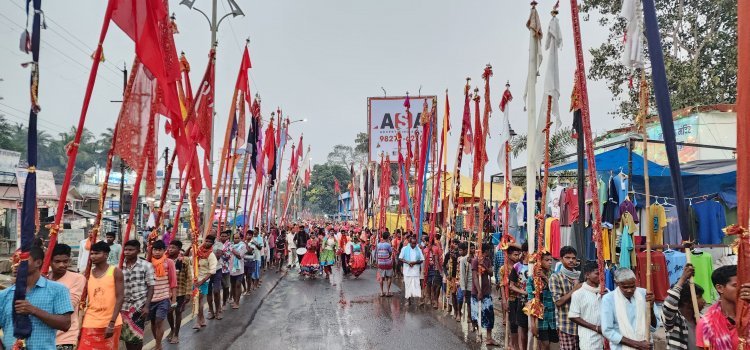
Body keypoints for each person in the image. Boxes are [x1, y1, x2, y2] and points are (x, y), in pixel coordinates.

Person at [0, 246, 72, 349]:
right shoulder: (4, 295)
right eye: (15, 260)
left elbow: (65, 324)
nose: (16, 264)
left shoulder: (58, 290)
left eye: (22, 259)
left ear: (38, 263)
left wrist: (33, 310)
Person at [80, 241, 124, 350]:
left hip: (110, 322)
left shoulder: (115, 272)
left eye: (97, 253)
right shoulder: (86, 273)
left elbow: (120, 298)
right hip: (90, 320)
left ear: (106, 255)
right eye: (92, 254)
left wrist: (112, 323)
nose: (93, 256)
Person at [601, 268, 657, 350]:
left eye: (632, 286)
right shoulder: (608, 299)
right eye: (625, 287)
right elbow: (607, 331)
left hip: (646, 346)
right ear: (617, 283)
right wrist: (637, 344)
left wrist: (651, 308)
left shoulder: (644, 294)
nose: (629, 290)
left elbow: (654, 327)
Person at [48, 243, 86, 350]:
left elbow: (69, 305)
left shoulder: (77, 278)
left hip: (66, 337)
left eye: (65, 261)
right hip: (44, 336)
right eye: (57, 261)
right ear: (49, 261)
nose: (62, 265)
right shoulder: (44, 277)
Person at [120, 239, 154, 350]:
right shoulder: (119, 266)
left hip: (139, 306)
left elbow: (151, 286)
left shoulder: (146, 265)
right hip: (123, 307)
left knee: (137, 336)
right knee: (127, 337)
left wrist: (147, 306)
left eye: (131, 250)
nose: (127, 252)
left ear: (138, 251)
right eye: (125, 250)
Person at [696, 264, 740, 349]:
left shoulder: (747, 317)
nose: (741, 288)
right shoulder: (707, 325)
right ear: (720, 288)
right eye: (735, 285)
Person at [662, 264, 705, 350]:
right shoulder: (674, 320)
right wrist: (683, 278)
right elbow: (669, 304)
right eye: (699, 297)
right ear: (686, 301)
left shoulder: (701, 319)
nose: (703, 301)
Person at [569, 261, 607, 350]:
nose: (601, 276)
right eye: (597, 273)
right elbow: (573, 316)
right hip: (588, 339)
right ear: (587, 275)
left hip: (605, 339)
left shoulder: (606, 292)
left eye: (602, 273)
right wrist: (596, 328)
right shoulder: (578, 294)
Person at [549, 246, 581, 349]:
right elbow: (558, 302)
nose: (571, 260)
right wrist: (575, 289)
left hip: (581, 324)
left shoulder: (580, 276)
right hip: (565, 324)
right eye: (567, 257)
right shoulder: (556, 277)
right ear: (561, 259)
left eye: (573, 258)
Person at [149, 240, 177, 350]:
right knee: (152, 323)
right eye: (155, 250)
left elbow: (173, 282)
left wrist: (173, 300)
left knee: (159, 321)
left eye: (159, 250)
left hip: (164, 297)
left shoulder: (169, 262)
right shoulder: (148, 263)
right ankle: (158, 342)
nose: (156, 252)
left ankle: (158, 345)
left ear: (164, 251)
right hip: (150, 299)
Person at [527, 251, 558, 350]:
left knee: (552, 343)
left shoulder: (554, 275)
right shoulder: (532, 279)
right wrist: (532, 324)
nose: (550, 262)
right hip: (540, 317)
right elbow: (530, 301)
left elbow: (555, 290)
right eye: (547, 260)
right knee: (545, 344)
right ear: (539, 262)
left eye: (551, 260)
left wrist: (545, 277)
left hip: (553, 316)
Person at [497, 243, 523, 350]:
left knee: (520, 323)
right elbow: (502, 285)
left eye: (518, 255)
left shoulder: (520, 266)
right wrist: (504, 300)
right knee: (512, 323)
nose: (517, 257)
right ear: (508, 255)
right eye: (515, 255)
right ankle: (513, 344)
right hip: (510, 298)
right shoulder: (504, 268)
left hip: (521, 298)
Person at [472, 242, 498, 346]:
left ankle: (489, 337)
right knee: (476, 314)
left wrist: (484, 266)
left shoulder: (487, 260)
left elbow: (491, 273)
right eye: (488, 250)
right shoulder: (475, 261)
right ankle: (479, 334)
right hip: (477, 292)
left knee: (489, 315)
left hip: (487, 292)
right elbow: (475, 277)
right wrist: (479, 291)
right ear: (486, 251)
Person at [190, 234, 217, 330]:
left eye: (210, 242)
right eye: (206, 241)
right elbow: (190, 256)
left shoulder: (211, 255)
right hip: (195, 279)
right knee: (197, 300)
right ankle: (202, 320)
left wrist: (202, 281)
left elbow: (212, 271)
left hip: (204, 280)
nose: (207, 243)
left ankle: (198, 321)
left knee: (198, 299)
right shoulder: (197, 250)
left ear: (212, 244)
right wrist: (192, 243)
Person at [166, 240, 191, 345]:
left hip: (181, 291)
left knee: (178, 313)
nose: (170, 249)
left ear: (179, 249)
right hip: (167, 292)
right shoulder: (165, 260)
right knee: (168, 312)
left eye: (173, 248)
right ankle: (172, 329)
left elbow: (189, 276)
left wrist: (189, 292)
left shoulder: (184, 260)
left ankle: (176, 334)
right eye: (169, 247)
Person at [211, 230, 231, 319]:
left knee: (226, 287)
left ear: (227, 237)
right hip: (216, 269)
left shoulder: (229, 245)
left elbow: (227, 256)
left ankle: (224, 302)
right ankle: (216, 308)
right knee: (217, 289)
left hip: (225, 268)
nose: (223, 237)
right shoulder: (215, 244)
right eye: (221, 236)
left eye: (225, 236)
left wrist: (221, 252)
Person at [399, 235, 424, 306]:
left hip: (415, 271)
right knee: (408, 285)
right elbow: (400, 258)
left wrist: (414, 262)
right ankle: (408, 300)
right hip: (407, 271)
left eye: (415, 243)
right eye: (412, 243)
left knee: (417, 285)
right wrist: (408, 262)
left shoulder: (418, 249)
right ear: (409, 242)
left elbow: (421, 260)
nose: (413, 245)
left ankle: (419, 300)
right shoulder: (404, 249)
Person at [423, 235, 444, 309]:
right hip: (428, 269)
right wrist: (423, 270)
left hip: (436, 269)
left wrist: (441, 269)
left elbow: (440, 259)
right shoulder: (425, 250)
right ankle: (429, 298)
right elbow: (424, 261)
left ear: (428, 242)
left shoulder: (436, 248)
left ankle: (435, 300)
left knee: (436, 285)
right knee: (428, 283)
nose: (424, 242)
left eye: (425, 241)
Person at [443, 238, 460, 318]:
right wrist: (446, 275)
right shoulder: (447, 254)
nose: (454, 246)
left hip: (459, 278)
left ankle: (458, 311)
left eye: (456, 244)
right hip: (451, 277)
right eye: (453, 244)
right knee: (452, 294)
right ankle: (456, 311)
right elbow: (444, 265)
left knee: (459, 296)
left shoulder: (459, 254)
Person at [229, 233, 247, 309]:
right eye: (235, 238)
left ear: (240, 238)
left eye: (238, 238)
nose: (236, 239)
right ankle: (234, 299)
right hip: (231, 269)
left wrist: (232, 249)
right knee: (232, 286)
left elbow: (239, 256)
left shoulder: (243, 246)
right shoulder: (230, 245)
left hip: (240, 270)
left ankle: (237, 302)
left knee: (238, 285)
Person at [376, 231, 394, 297]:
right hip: (388, 263)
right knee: (389, 277)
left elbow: (377, 253)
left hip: (380, 263)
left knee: (381, 277)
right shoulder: (388, 245)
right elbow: (390, 253)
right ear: (388, 237)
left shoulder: (378, 244)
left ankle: (381, 292)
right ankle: (387, 292)